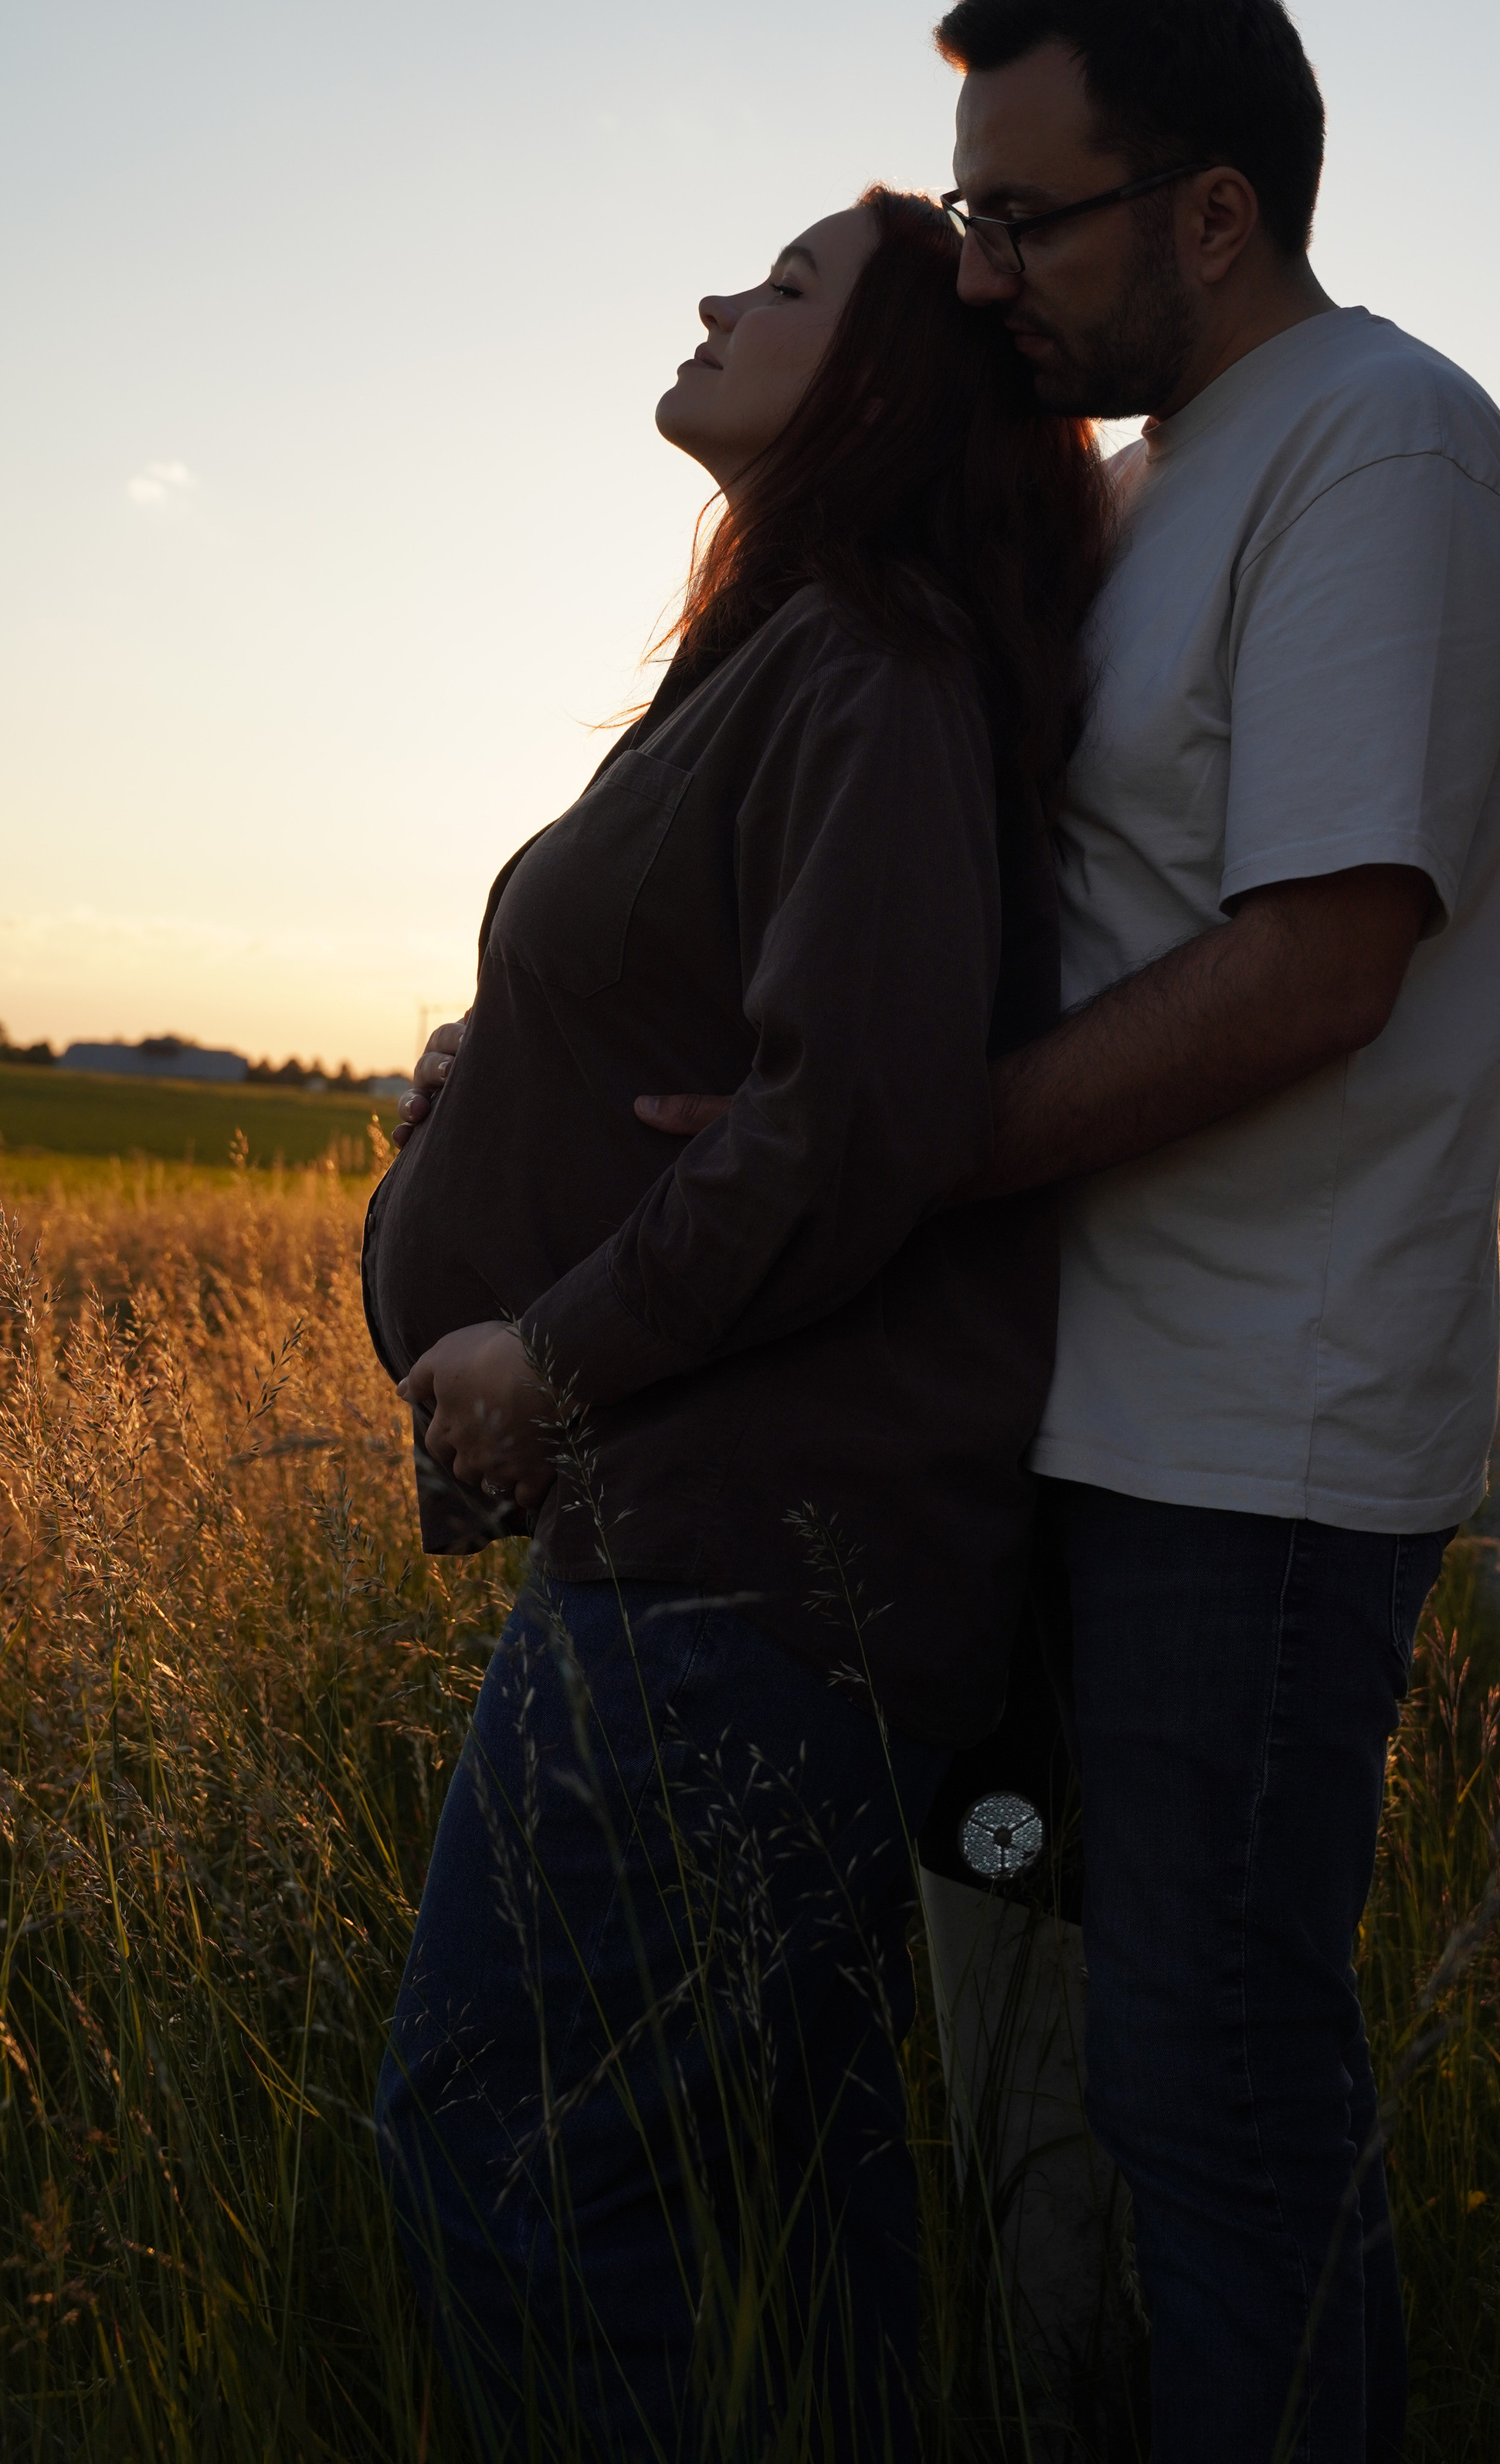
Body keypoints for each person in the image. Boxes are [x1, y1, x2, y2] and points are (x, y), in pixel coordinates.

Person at [403, 0, 1500, 2461]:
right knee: (926, 2098)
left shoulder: (1390, 446)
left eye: (1023, 218)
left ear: (1217, 212)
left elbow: (1315, 967)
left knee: (1213, 2095)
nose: (980, 263)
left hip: (1251, 1441)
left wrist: (876, 1153)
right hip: (1056, 1408)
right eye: (962, 218)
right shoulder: (1142, 495)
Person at [365, 186, 1109, 2459]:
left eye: (786, 286)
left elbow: (852, 1116)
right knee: (781, 2193)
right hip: (718, 1568)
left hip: (731, 1573)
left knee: (511, 2163)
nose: (718, 299)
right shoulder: (797, 652)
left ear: (883, 378)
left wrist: (550, 1347)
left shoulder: (873, 665)